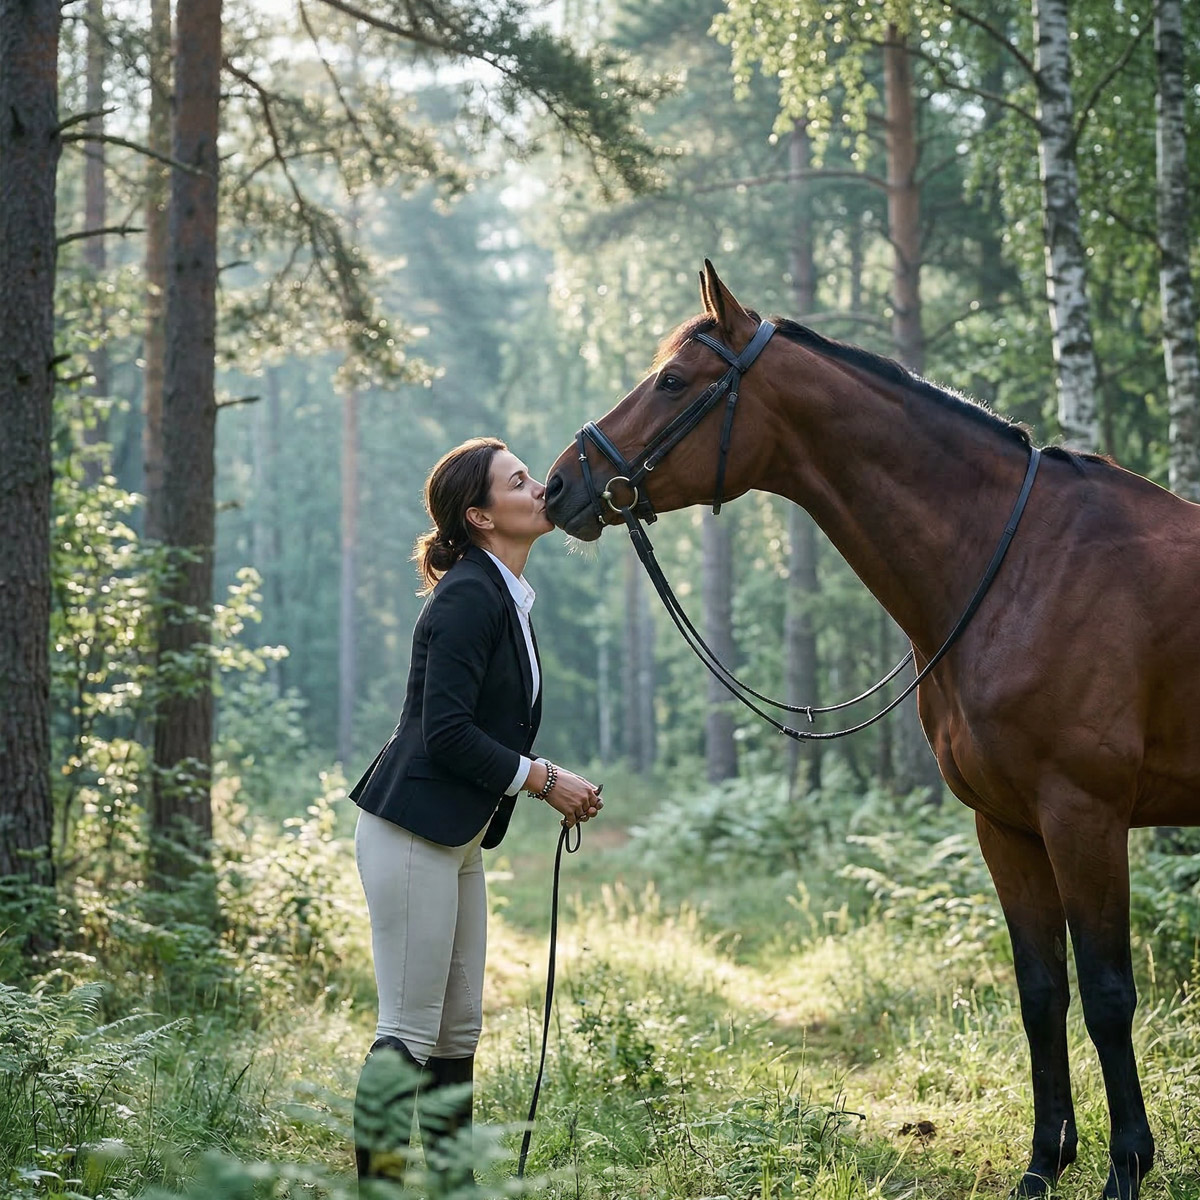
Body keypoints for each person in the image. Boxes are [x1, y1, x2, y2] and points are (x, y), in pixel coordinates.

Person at [350, 436, 603, 1189]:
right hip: (409, 831)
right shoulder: (468, 594)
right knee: (406, 1029)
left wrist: (538, 776)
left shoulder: (500, 593)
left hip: (454, 837)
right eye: (519, 482)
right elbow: (446, 730)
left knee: (457, 1029)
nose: (538, 488)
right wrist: (543, 778)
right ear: (480, 515)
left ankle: (455, 1186)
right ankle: (381, 1190)